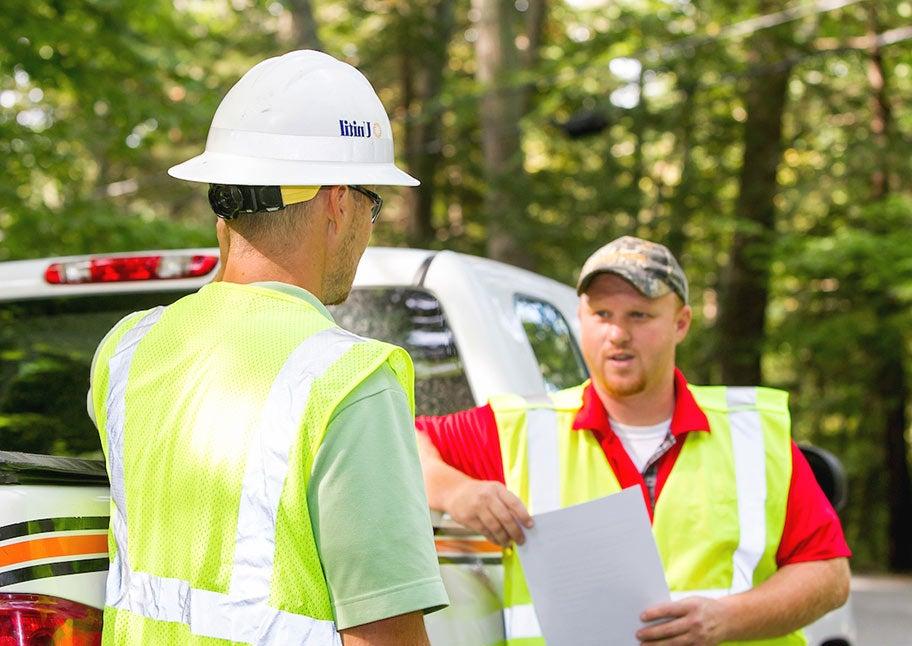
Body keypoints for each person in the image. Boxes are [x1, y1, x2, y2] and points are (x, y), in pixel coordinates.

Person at [88, 50, 447, 646]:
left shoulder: (127, 351)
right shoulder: (349, 381)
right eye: (373, 204)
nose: (370, 224)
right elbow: (384, 636)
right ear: (338, 202)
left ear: (225, 207)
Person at [416, 236, 850, 645]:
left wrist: (727, 619)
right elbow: (397, 443)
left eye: (639, 316)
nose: (618, 334)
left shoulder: (753, 433)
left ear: (681, 323)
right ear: (582, 320)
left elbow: (829, 574)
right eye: (602, 315)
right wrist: (456, 489)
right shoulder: (521, 428)